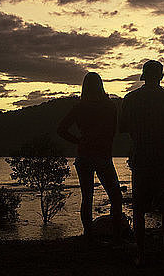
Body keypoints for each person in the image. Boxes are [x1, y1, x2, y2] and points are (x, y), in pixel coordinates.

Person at [120, 60, 164, 267]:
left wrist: (136, 141)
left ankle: (141, 255)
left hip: (141, 159)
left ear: (143, 76)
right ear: (161, 76)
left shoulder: (131, 98)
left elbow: (123, 128)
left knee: (139, 210)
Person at [57, 72, 122, 244]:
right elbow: (112, 132)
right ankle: (117, 236)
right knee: (115, 196)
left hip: (84, 155)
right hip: (102, 155)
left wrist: (78, 140)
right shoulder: (109, 106)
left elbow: (61, 129)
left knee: (87, 197)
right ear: (100, 85)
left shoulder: (80, 107)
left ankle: (89, 236)